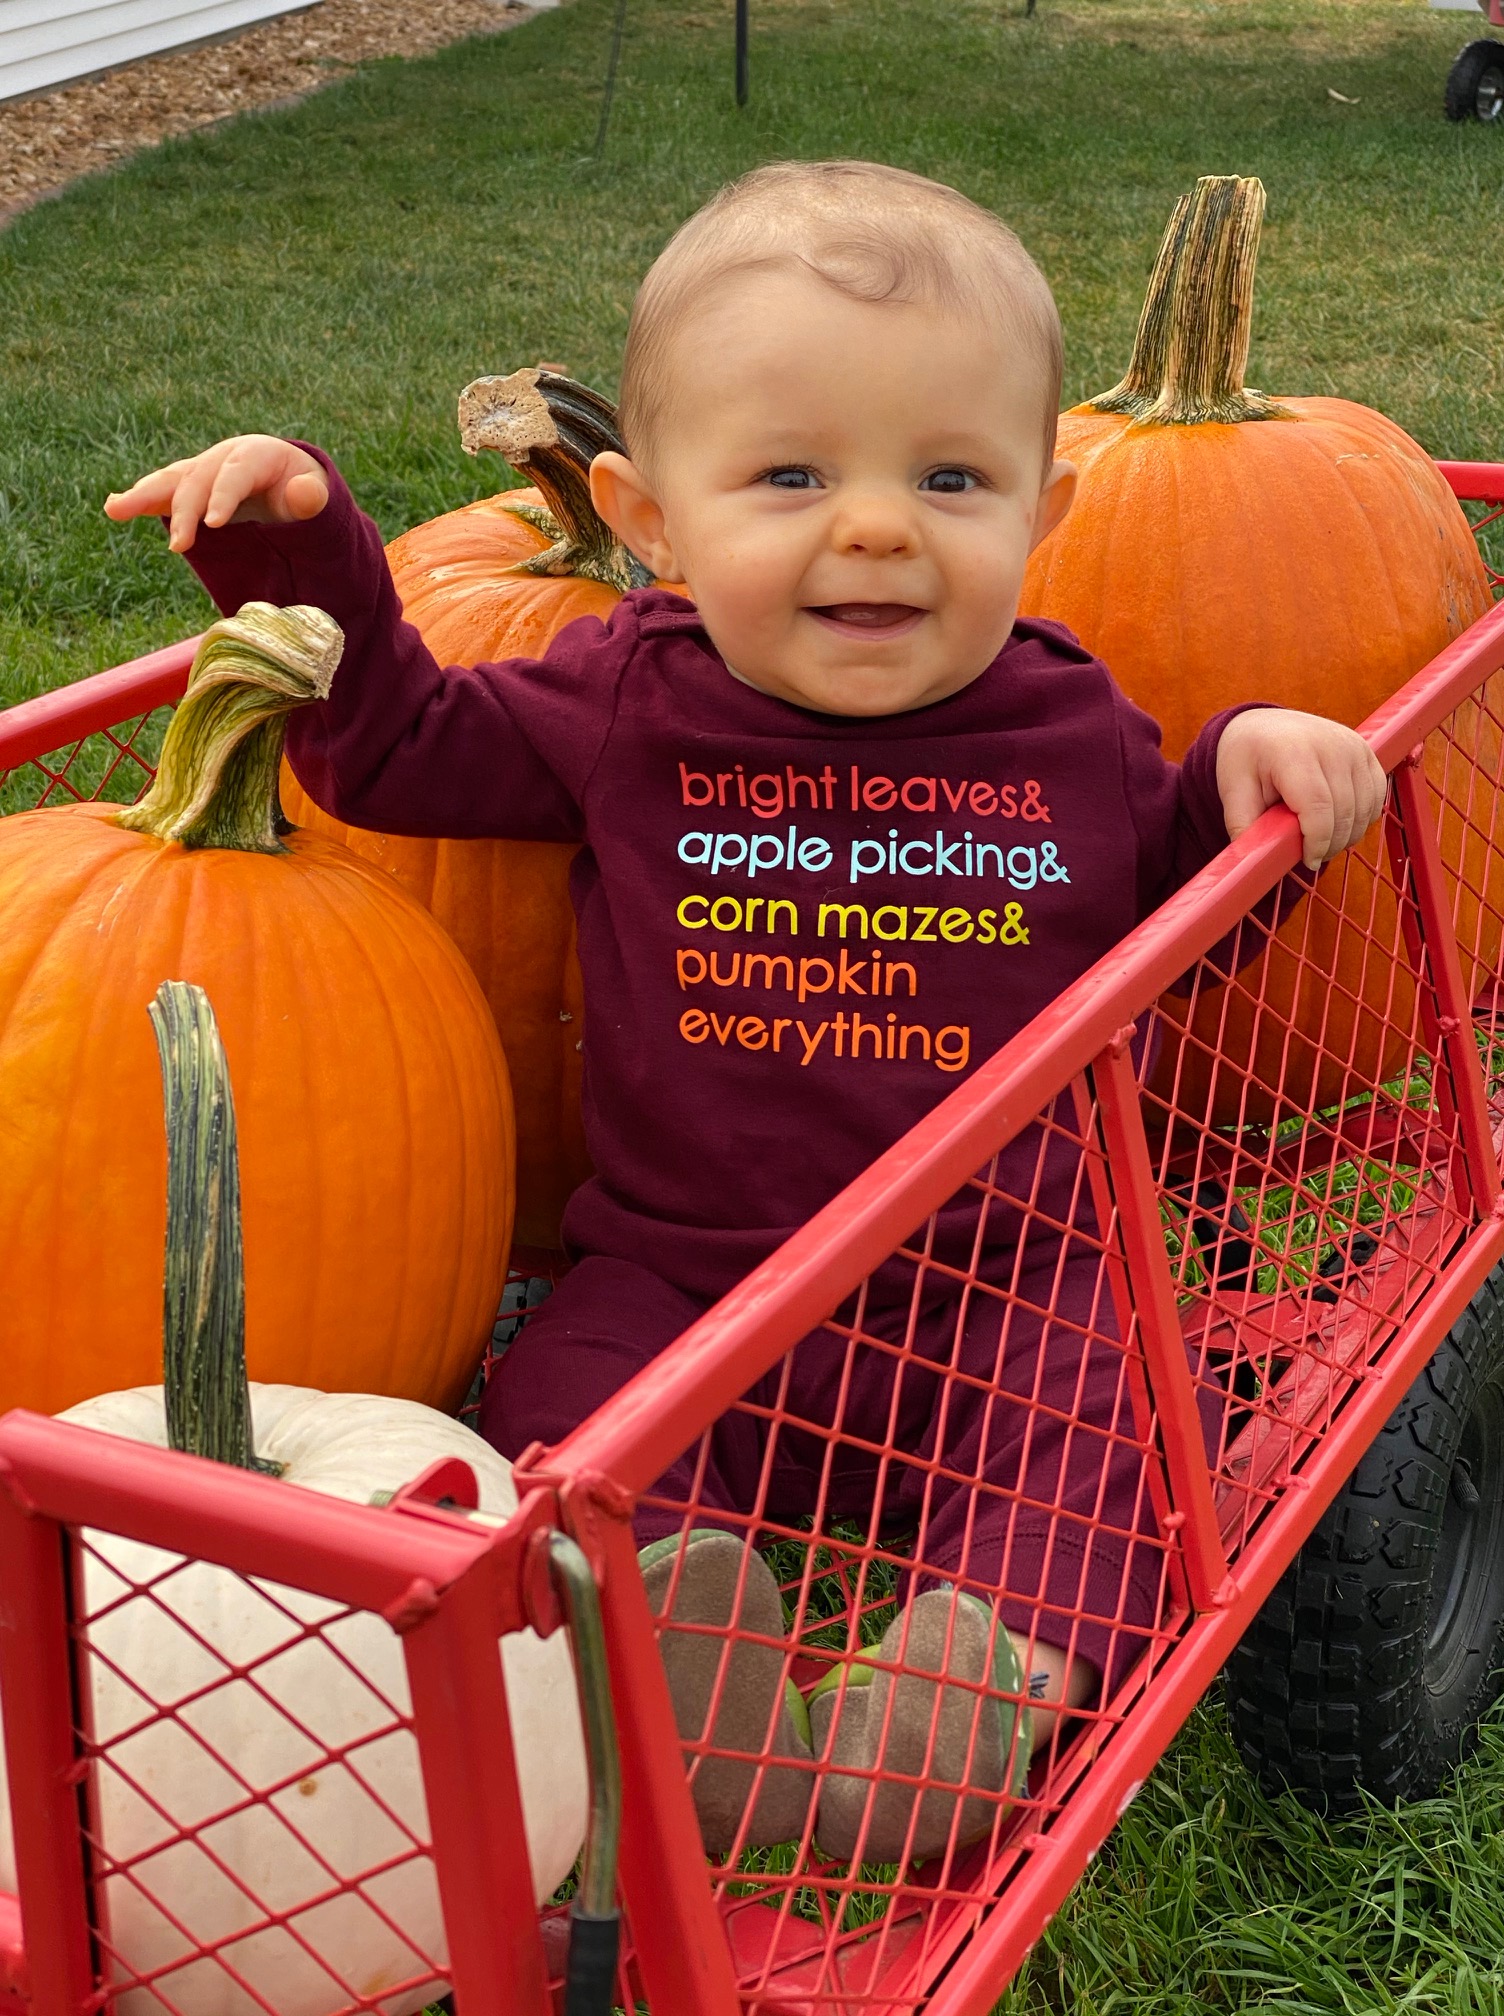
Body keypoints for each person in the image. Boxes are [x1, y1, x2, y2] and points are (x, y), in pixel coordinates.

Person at [106, 159, 1387, 1868]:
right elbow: (396, 748)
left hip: (1008, 1274)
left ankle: (970, 1689)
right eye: (791, 475)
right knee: (557, 1404)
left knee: (1127, 1423)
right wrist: (301, 551)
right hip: (691, 1276)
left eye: (951, 478)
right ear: (649, 518)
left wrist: (1244, 769)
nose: (877, 526)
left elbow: (1168, 912)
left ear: (1045, 513)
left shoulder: (1070, 726)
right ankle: (689, 1658)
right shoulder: (629, 699)